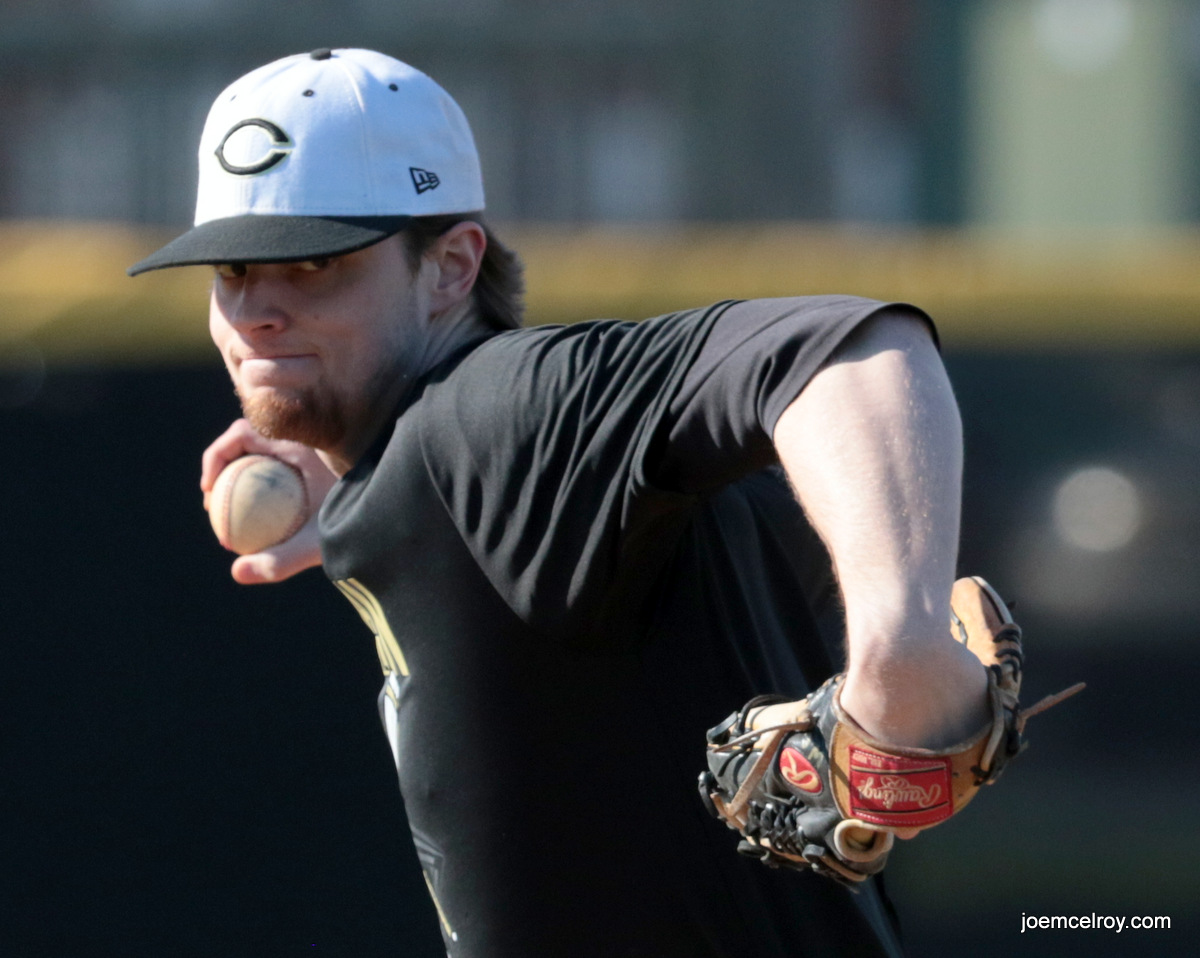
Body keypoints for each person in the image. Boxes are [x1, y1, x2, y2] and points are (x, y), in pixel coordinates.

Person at [129, 48, 991, 957]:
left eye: (315, 267)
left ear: (453, 265)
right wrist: (354, 467)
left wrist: (903, 638)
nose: (258, 310)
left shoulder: (491, 419)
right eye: (232, 272)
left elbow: (843, 349)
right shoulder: (462, 465)